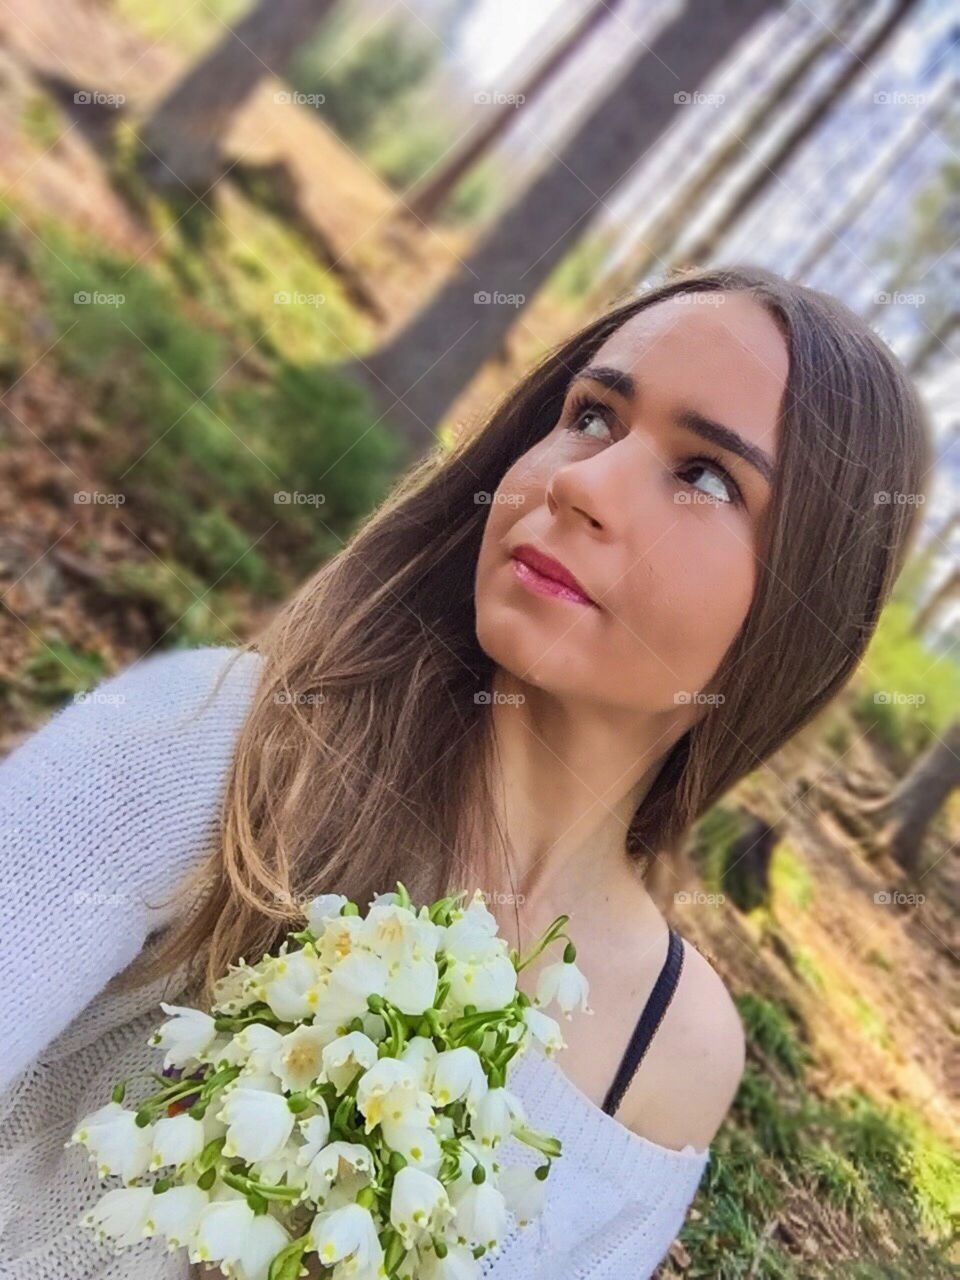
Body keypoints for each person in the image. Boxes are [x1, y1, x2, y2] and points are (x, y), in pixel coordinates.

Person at [0, 265, 930, 1279]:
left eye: (706, 474)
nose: (582, 481)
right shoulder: (212, 741)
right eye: (592, 415)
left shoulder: (668, 1052)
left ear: (803, 617)